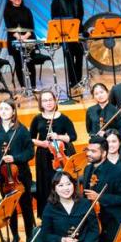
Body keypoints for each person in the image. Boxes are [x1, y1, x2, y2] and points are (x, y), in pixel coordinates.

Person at [0, 99, 34, 242]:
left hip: (21, 175)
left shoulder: (21, 130)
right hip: (3, 176)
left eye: (7, 109)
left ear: (14, 111)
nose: (3, 112)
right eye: (1, 109)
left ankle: (29, 237)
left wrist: (14, 158)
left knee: (26, 206)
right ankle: (15, 237)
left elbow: (30, 152)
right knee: (10, 208)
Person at [29, 90, 77, 220]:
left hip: (61, 155)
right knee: (47, 185)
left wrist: (58, 136)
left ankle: (65, 214)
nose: (48, 103)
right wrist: (42, 143)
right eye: (45, 100)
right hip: (44, 157)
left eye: (50, 99)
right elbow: (30, 138)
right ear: (41, 103)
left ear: (55, 100)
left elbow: (73, 136)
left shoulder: (63, 118)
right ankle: (49, 216)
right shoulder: (37, 119)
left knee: (62, 183)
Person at [50, 0, 85, 88]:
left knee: (79, 56)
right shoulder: (56, 1)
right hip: (65, 35)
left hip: (77, 33)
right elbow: (54, 18)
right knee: (69, 58)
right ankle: (72, 83)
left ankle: (78, 81)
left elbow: (80, 16)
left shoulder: (78, 0)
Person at [3, 0, 39, 90]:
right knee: (19, 63)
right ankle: (23, 86)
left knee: (30, 63)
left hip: (28, 39)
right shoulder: (7, 11)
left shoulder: (27, 10)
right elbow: (9, 26)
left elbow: (31, 26)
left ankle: (33, 86)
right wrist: (19, 37)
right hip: (14, 40)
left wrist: (25, 36)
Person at [85, 82, 121, 147]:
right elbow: (89, 129)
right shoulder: (90, 110)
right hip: (96, 144)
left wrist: (108, 134)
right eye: (96, 94)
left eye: (102, 92)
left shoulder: (116, 111)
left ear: (107, 92)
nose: (100, 95)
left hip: (111, 145)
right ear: (93, 96)